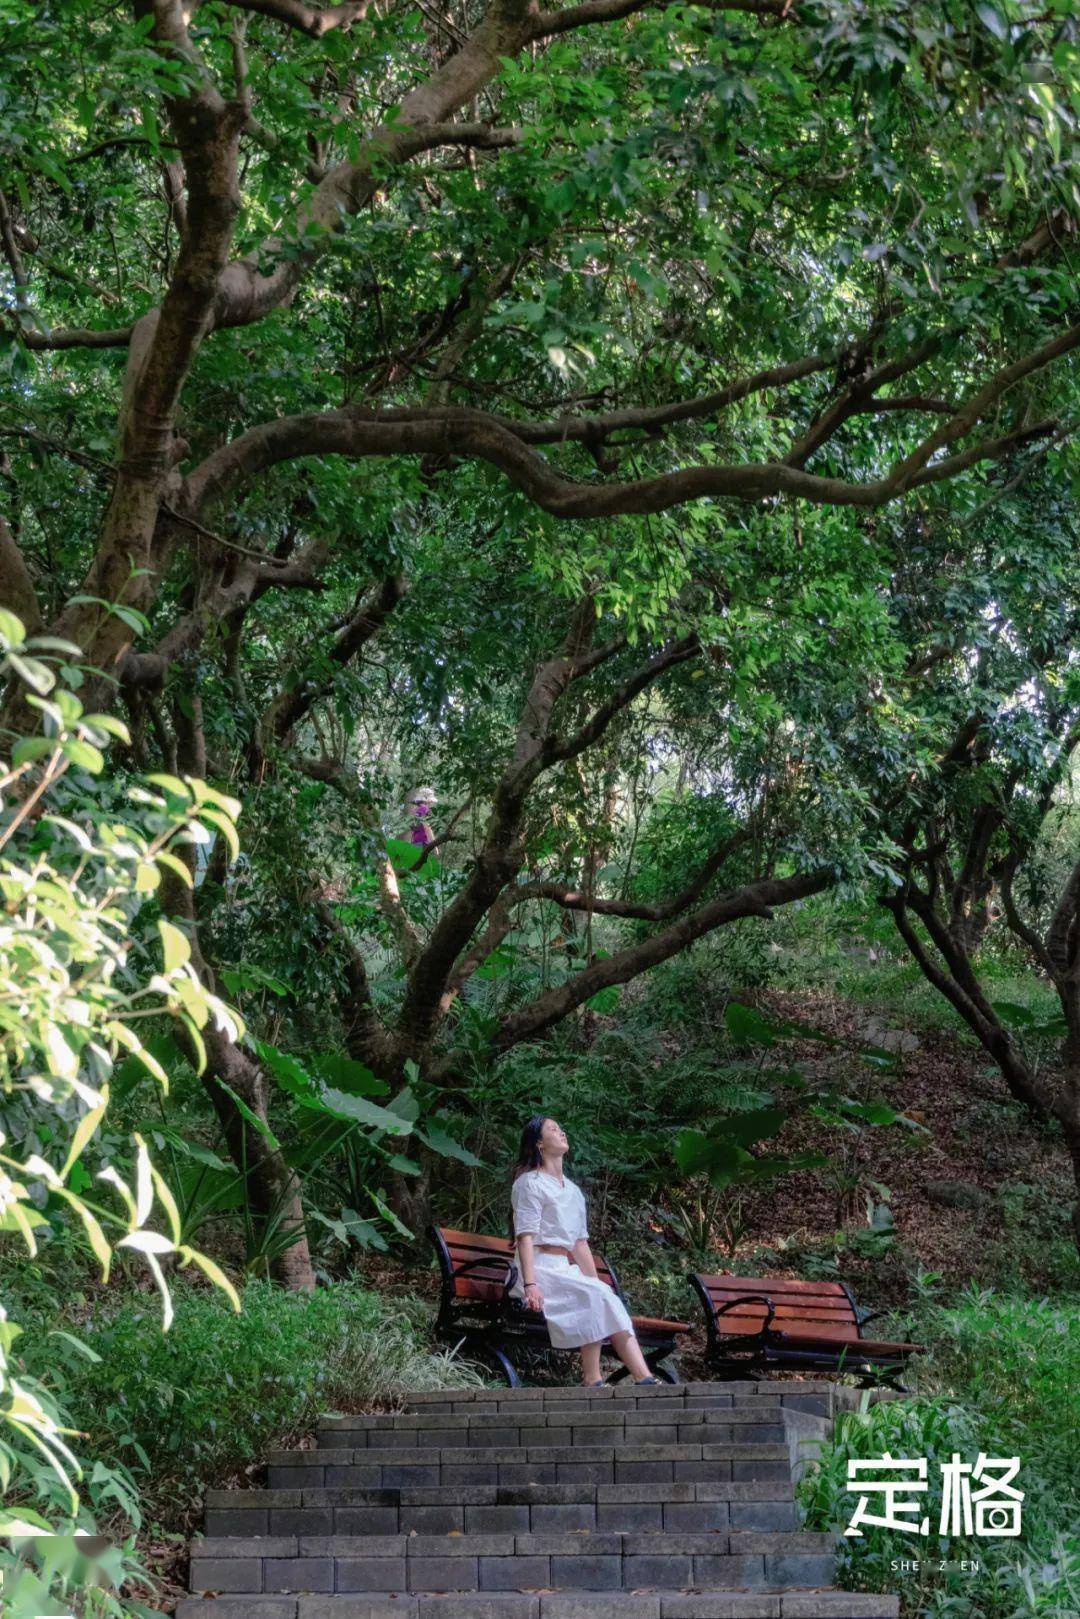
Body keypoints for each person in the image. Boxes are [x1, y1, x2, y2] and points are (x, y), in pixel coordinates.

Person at [509, 1115, 663, 1387]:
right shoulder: (529, 1183)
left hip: (562, 1268)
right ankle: (593, 1379)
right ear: (539, 1144)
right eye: (553, 1130)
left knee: (604, 1294)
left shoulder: (573, 1191)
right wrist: (531, 1284)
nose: (562, 1132)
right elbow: (525, 1236)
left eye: (561, 1128)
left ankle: (645, 1379)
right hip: (537, 1268)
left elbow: (580, 1244)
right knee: (594, 1294)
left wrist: (595, 1282)